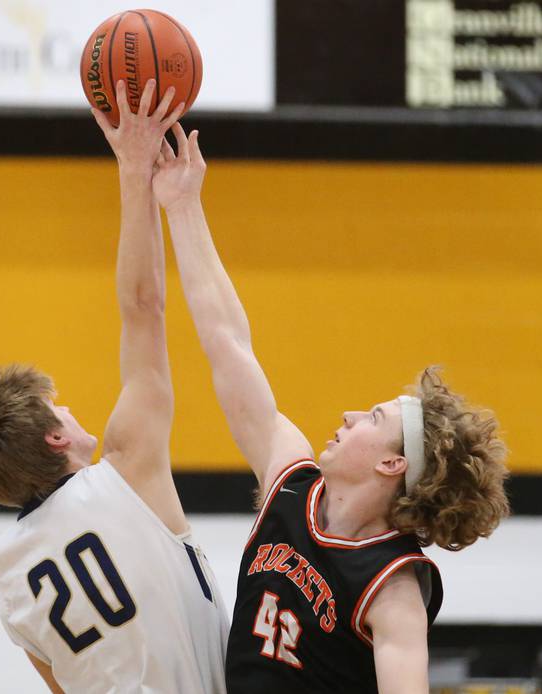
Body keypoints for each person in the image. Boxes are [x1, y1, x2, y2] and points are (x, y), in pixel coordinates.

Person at [152, 124, 510, 693]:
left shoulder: (393, 587)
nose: (348, 416)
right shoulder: (291, 480)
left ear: (393, 464)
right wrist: (183, 205)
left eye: (373, 419)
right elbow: (227, 342)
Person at [0, 80, 227, 694]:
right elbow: (144, 308)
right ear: (55, 438)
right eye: (60, 408)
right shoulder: (126, 473)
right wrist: (134, 169)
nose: (72, 409)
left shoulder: (8, 580)